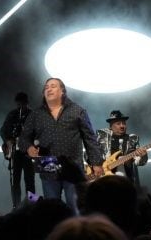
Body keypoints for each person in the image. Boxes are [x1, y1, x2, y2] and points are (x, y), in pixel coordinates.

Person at [19, 77, 104, 214]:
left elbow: (90, 138)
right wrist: (28, 147)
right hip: (48, 167)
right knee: (52, 210)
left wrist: (96, 162)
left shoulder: (77, 110)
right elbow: (23, 138)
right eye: (46, 87)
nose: (49, 89)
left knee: (75, 208)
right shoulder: (36, 114)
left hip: (73, 168)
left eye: (53, 86)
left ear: (62, 91)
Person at [0, 91, 37, 209]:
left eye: (22, 104)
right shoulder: (12, 114)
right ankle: (16, 206)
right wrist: (7, 140)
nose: (20, 106)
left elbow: (38, 133)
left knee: (30, 181)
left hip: (28, 152)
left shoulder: (33, 115)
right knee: (15, 181)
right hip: (15, 153)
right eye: (18, 104)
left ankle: (32, 205)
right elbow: (3, 130)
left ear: (27, 103)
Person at [95, 110, 148, 187]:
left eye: (124, 123)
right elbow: (89, 153)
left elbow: (139, 163)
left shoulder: (133, 139)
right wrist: (95, 166)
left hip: (125, 180)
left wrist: (143, 156)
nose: (122, 126)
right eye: (118, 123)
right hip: (104, 178)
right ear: (110, 126)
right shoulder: (101, 136)